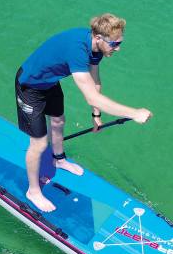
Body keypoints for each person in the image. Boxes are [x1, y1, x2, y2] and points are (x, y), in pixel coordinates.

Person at [14, 13, 153, 212]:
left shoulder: (97, 49)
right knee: (38, 143)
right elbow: (91, 97)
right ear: (98, 37)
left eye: (119, 42)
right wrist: (133, 113)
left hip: (50, 82)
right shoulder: (77, 51)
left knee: (59, 121)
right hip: (30, 86)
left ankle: (59, 159)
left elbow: (95, 83)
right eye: (114, 44)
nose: (118, 48)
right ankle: (33, 191)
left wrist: (96, 115)